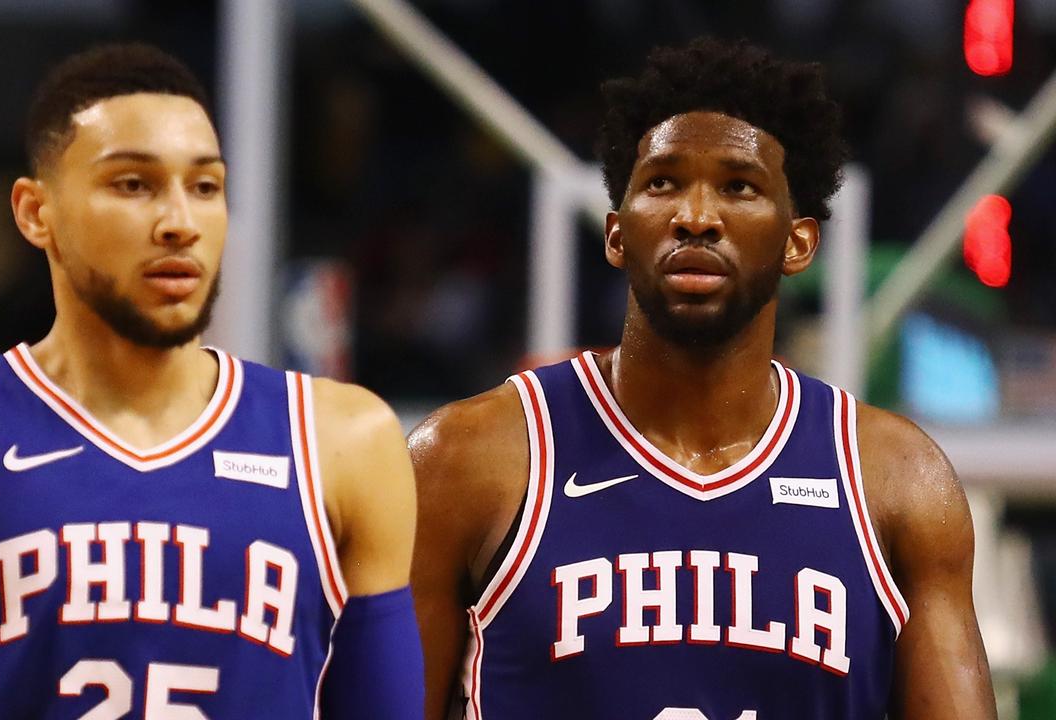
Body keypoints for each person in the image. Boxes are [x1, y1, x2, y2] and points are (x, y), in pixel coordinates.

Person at [0, 43, 422, 720]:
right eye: (133, 184)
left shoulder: (343, 442)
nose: (179, 222)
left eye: (205, 187)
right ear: (37, 213)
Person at [409, 37, 996, 720]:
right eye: (662, 182)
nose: (695, 216)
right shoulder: (466, 459)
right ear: (617, 233)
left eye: (738, 186)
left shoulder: (897, 481)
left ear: (798, 241)